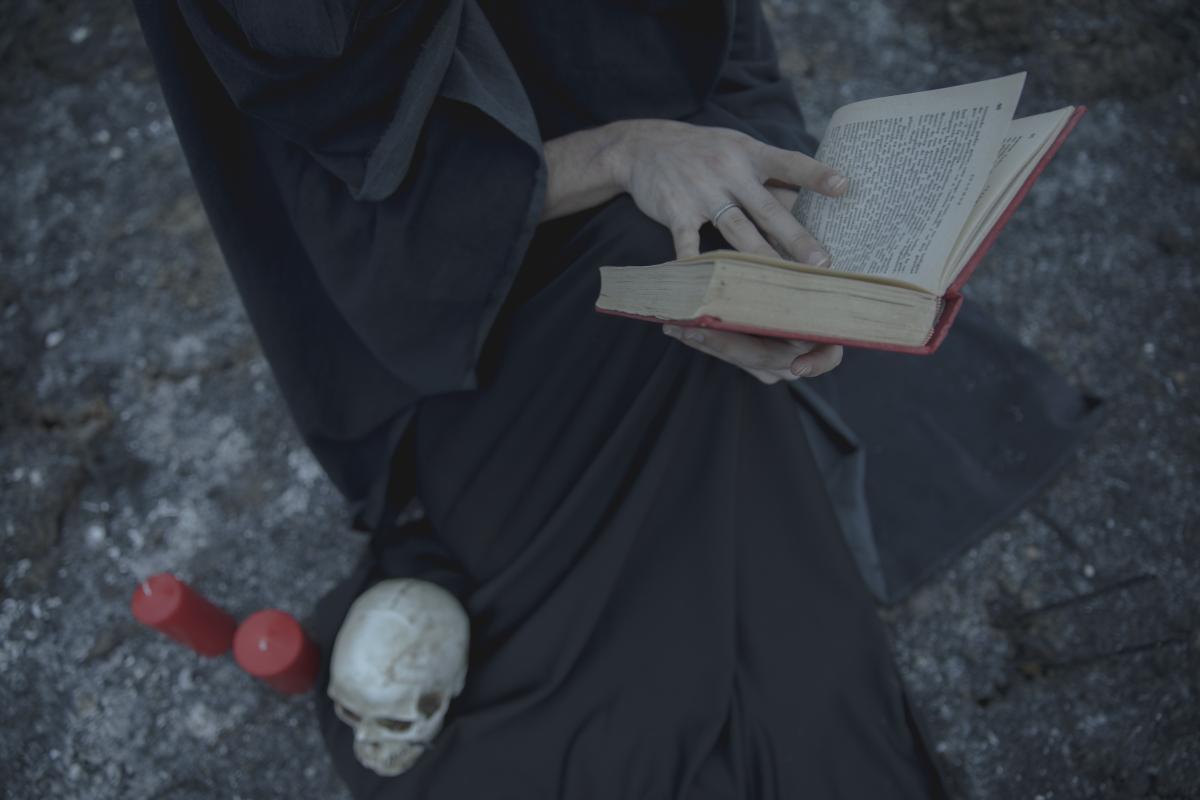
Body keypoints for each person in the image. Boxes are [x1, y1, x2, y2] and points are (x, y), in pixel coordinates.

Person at [132, 1, 1102, 797]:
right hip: (440, 309)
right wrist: (624, 153)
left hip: (631, 173)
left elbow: (718, 43)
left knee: (737, 315)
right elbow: (379, 219)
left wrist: (765, 213)